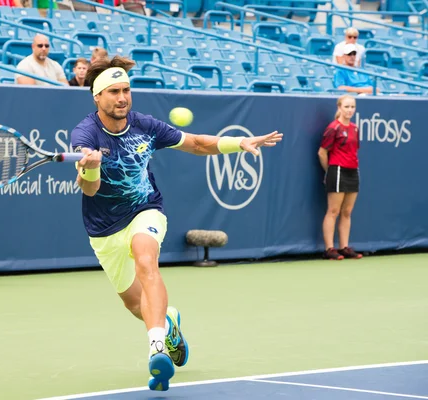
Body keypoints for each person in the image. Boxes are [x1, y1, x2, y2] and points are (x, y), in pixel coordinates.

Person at [70, 56, 283, 391]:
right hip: (103, 228)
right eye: (113, 91)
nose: (122, 97)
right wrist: (92, 165)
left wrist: (238, 143)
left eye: (126, 89)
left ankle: (157, 348)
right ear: (97, 97)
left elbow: (196, 143)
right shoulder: (84, 133)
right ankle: (168, 323)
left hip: (145, 210)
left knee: (145, 258)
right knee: (135, 304)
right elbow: (90, 187)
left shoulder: (145, 125)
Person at [318, 95, 363, 261]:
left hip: (353, 171)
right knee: (333, 211)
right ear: (339, 107)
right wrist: (329, 170)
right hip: (337, 171)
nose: (349, 110)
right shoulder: (333, 128)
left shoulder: (355, 128)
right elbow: (322, 152)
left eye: (352, 107)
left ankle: (344, 247)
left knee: (347, 211)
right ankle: (330, 248)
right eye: (346, 107)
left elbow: (354, 150)